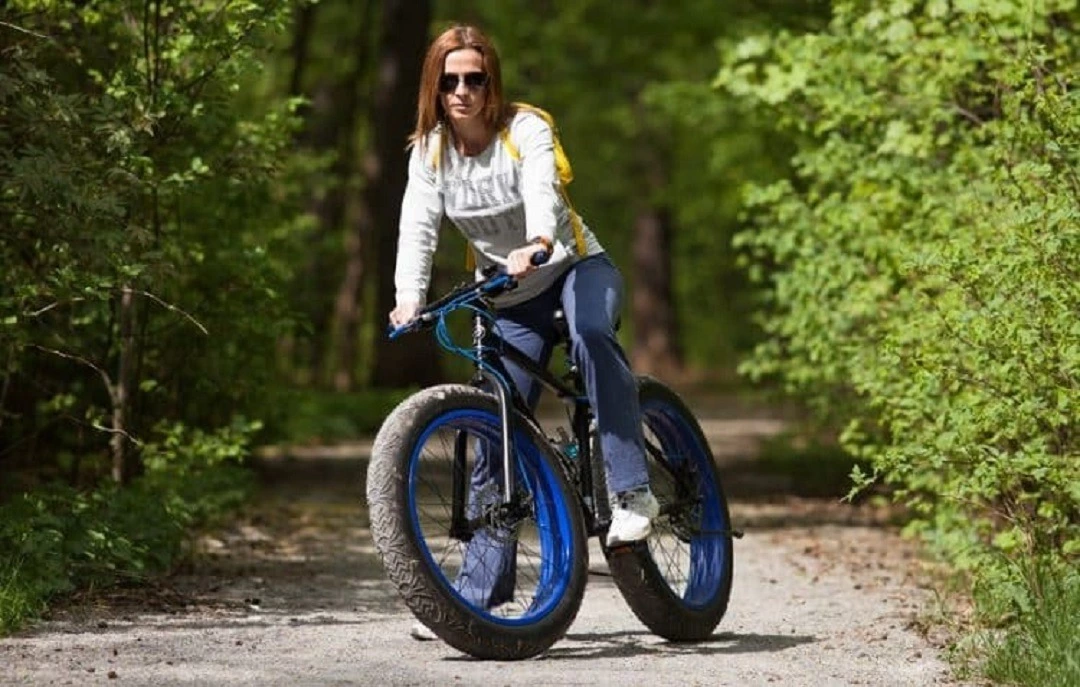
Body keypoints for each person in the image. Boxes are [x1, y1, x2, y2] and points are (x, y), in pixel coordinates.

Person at [389, 24, 657, 638]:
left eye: (474, 79)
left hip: (574, 268)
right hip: (508, 295)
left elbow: (542, 186)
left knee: (591, 335)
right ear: (435, 85)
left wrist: (539, 241)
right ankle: (477, 598)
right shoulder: (429, 152)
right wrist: (408, 300)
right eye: (450, 80)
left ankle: (633, 492)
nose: (462, 91)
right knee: (495, 421)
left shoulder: (525, 129)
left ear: (492, 82)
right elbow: (418, 229)